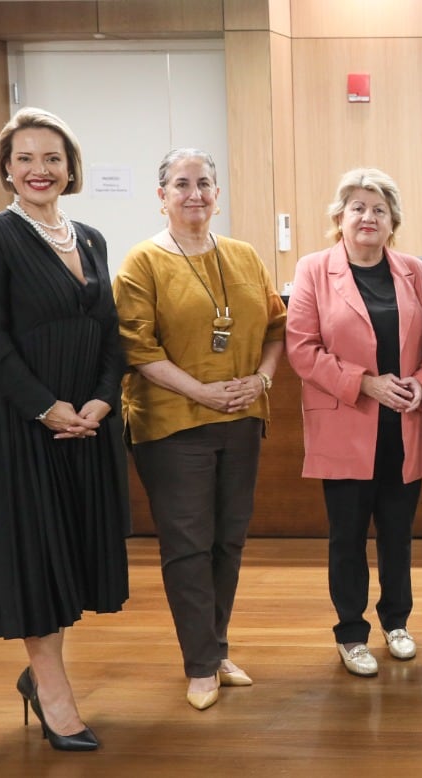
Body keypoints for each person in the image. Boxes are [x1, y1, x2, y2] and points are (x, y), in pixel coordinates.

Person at [0, 107, 126, 751]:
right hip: (14, 417)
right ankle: (54, 695)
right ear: (7, 168)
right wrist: (44, 406)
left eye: (52, 158)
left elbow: (109, 332)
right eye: (25, 158)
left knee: (69, 549)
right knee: (34, 551)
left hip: (84, 417)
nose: (39, 169)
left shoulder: (91, 238)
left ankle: (39, 675)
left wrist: (102, 400)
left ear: (69, 167)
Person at [114, 148, 287, 709]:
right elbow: (138, 348)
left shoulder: (244, 255)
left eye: (205, 183)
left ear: (217, 193)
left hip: (241, 419)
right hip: (172, 424)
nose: (195, 194)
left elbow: (277, 328)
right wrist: (201, 391)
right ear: (162, 196)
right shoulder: (142, 262)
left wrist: (261, 380)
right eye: (182, 184)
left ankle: (214, 648)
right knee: (188, 545)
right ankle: (200, 665)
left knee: (227, 540)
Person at [286, 168, 422, 677]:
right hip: (347, 422)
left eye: (379, 209)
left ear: (392, 221)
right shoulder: (315, 270)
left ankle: (397, 622)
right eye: (357, 207)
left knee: (398, 533)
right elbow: (302, 348)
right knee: (348, 536)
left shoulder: (416, 273)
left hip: (404, 423)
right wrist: (365, 383)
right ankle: (351, 633)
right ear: (339, 217)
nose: (368, 217)